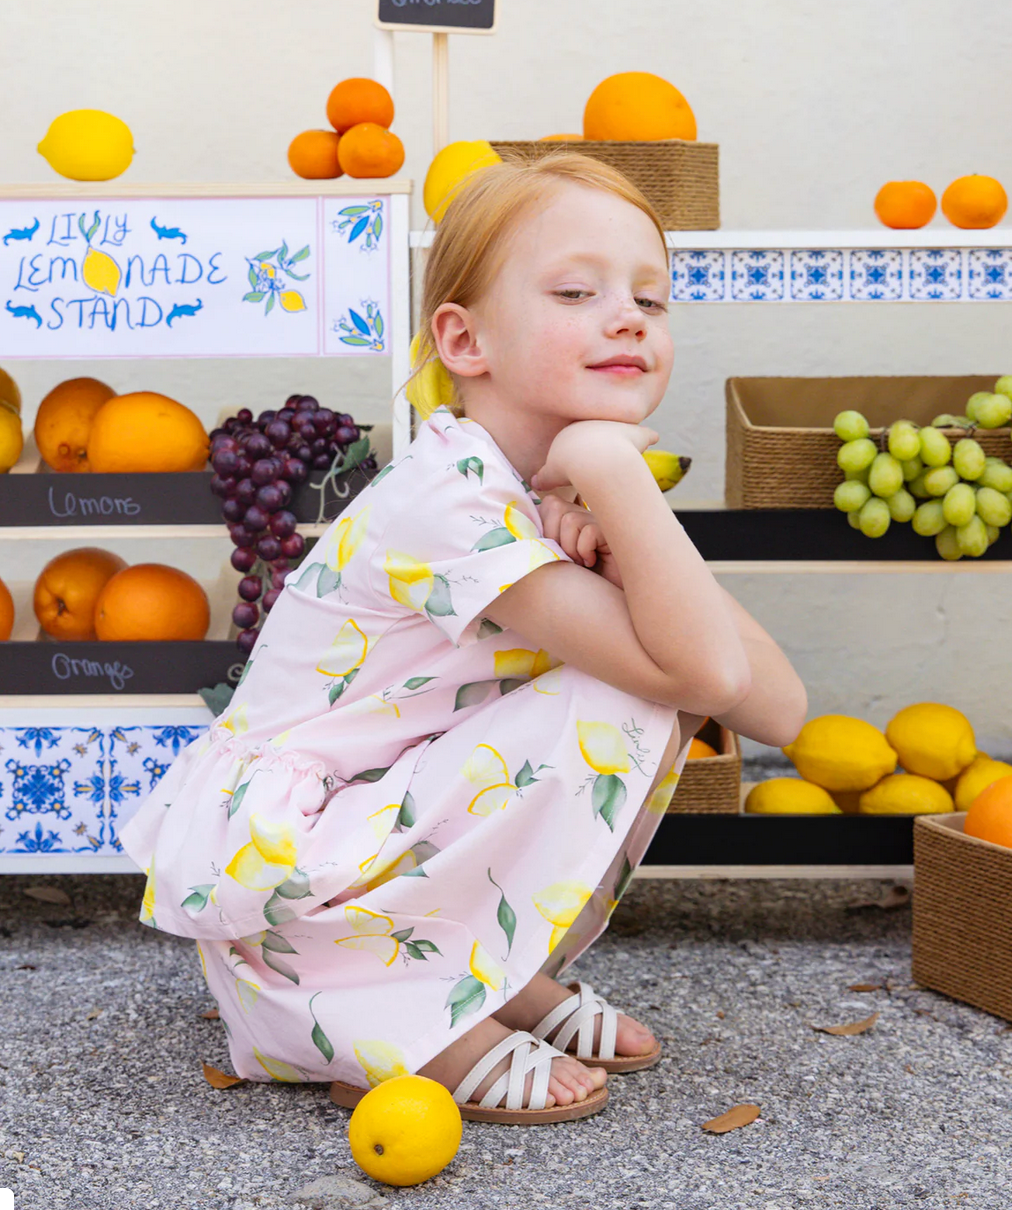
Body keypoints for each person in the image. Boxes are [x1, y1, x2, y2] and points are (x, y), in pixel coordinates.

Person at [120, 150, 807, 1125]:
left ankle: (484, 968)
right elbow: (698, 668)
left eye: (651, 301)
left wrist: (612, 517)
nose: (626, 317)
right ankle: (414, 1016)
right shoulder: (449, 502)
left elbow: (772, 703)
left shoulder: (542, 490)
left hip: (375, 820)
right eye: (576, 290)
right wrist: (611, 468)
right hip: (290, 886)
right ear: (464, 339)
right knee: (632, 683)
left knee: (640, 670)